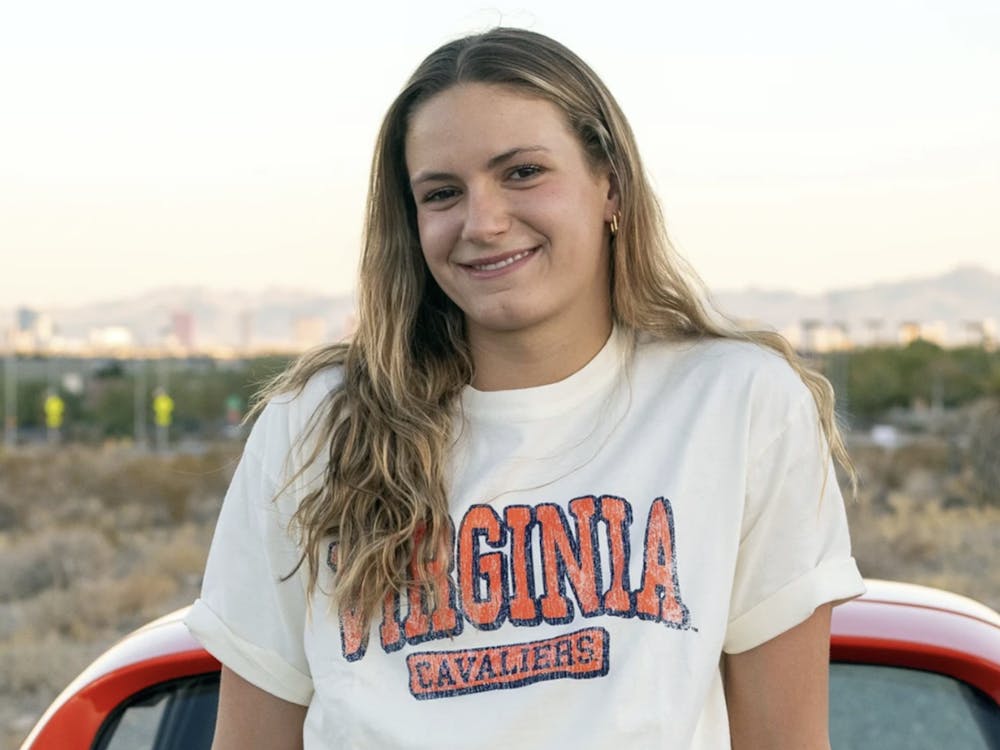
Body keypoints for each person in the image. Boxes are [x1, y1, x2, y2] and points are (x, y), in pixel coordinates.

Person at [186, 27, 865, 749]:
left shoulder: (735, 404)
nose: (483, 222)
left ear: (612, 186)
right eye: (443, 193)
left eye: (522, 173)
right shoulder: (316, 424)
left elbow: (785, 740)